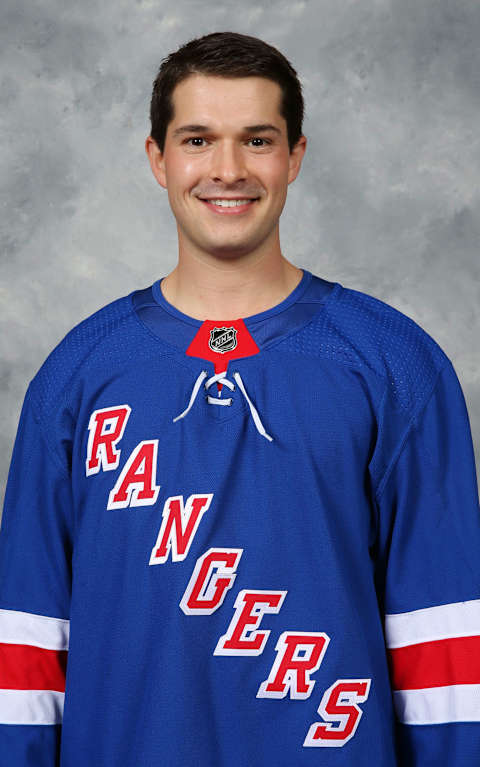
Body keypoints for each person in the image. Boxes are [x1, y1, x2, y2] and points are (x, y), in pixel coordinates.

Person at [0, 30, 479, 767]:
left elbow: (444, 646)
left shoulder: (396, 365)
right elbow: (26, 648)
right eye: (198, 139)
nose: (228, 169)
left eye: (257, 139)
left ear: (295, 155)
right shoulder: (77, 374)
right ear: (158, 158)